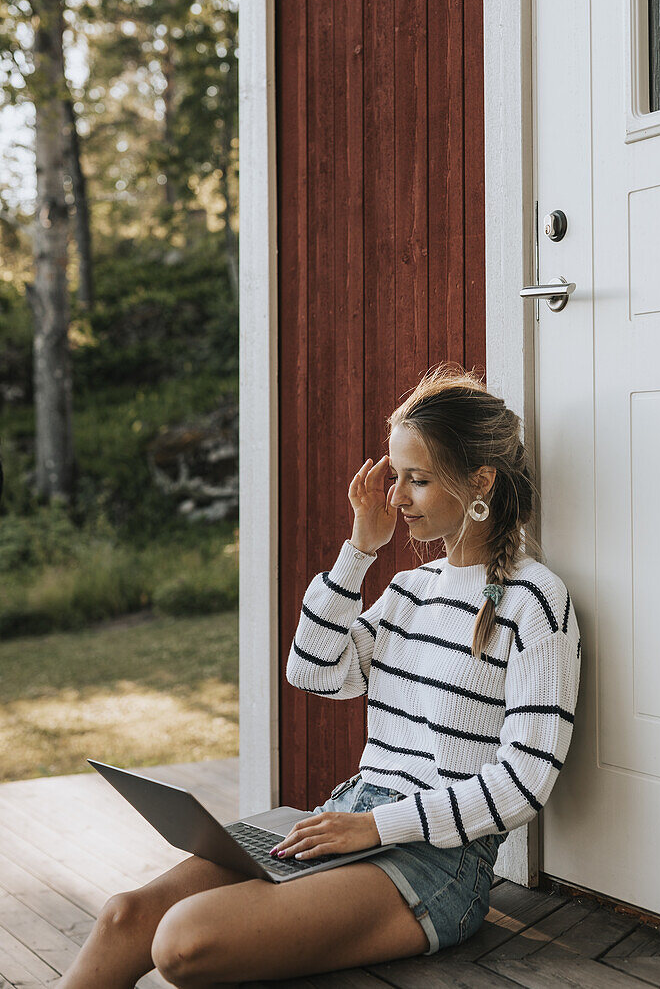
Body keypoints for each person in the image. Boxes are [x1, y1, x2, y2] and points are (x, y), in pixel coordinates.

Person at [58, 362, 581, 987]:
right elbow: (311, 670)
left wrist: (374, 828)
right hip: (346, 819)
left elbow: (525, 782)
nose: (396, 497)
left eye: (416, 480)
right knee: (125, 916)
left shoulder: (534, 600)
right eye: (395, 478)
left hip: (436, 861)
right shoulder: (409, 591)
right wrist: (358, 550)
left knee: (184, 940)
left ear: (481, 483)